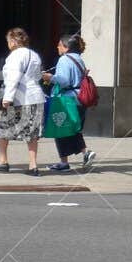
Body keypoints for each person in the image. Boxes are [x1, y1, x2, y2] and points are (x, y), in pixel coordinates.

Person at [0, 27, 45, 175]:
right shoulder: (35, 55)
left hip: (20, 98)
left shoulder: (15, 56)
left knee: (3, 129)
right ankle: (33, 165)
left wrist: (7, 98)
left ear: (14, 41)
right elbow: (38, 76)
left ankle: (3, 160)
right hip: (36, 97)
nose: (8, 44)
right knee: (32, 132)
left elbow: (13, 78)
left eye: (9, 41)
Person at [45, 34, 96, 173]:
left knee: (60, 129)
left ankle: (68, 161)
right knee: (72, 129)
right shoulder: (79, 59)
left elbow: (63, 80)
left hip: (66, 100)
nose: (57, 47)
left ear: (66, 47)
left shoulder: (64, 59)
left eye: (59, 44)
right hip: (79, 99)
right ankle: (80, 156)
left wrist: (49, 77)